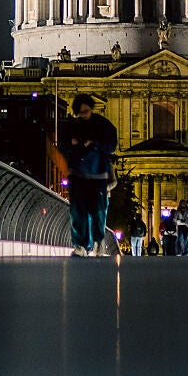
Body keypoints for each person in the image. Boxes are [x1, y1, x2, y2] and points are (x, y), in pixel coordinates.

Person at [55, 93, 118, 256]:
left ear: (91, 109)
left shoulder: (103, 125)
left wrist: (94, 144)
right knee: (78, 211)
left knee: (98, 211)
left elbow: (111, 145)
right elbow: (62, 146)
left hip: (97, 174)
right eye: (81, 112)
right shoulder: (72, 126)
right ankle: (81, 245)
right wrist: (73, 145)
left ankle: (97, 241)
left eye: (86, 111)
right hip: (79, 174)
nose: (84, 115)